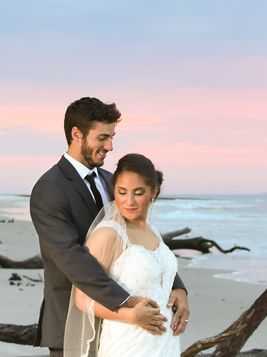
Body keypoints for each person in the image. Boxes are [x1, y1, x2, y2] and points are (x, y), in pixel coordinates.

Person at [29, 97, 189, 356]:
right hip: (72, 325)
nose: (110, 146)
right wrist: (127, 304)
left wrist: (176, 287)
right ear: (77, 134)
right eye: (103, 137)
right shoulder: (50, 189)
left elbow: (142, 237)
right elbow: (72, 258)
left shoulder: (112, 181)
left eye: (112, 137)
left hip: (126, 330)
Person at [66, 153, 182, 356]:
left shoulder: (153, 232)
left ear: (154, 192)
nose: (129, 201)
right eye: (121, 192)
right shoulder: (108, 234)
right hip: (128, 345)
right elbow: (83, 300)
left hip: (166, 345)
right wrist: (131, 316)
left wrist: (181, 294)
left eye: (138, 192)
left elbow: (162, 283)